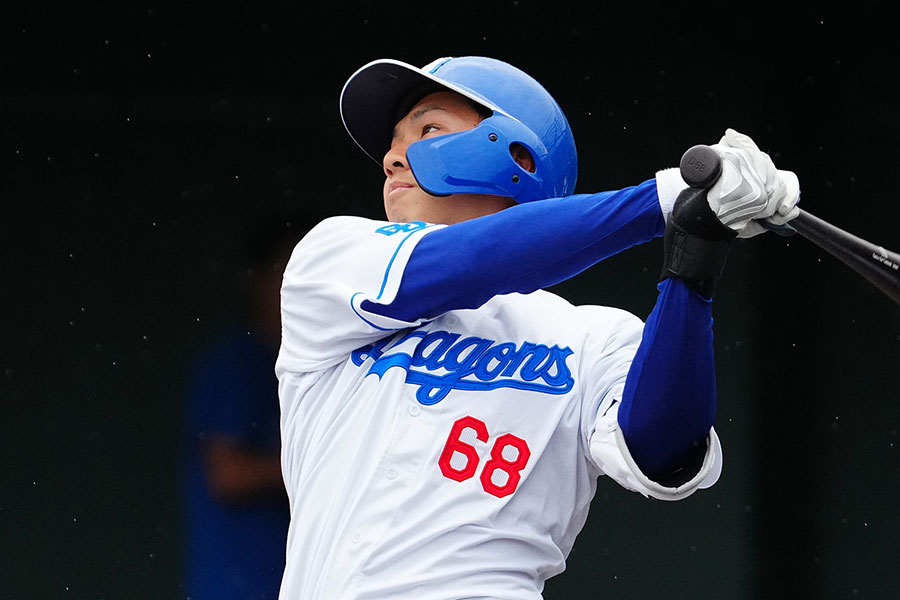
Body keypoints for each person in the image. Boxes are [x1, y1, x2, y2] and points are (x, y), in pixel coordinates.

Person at [274, 57, 800, 598]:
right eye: (393, 141)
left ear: (518, 156)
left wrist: (695, 258)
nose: (390, 157)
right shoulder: (333, 261)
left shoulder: (593, 336)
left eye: (427, 129)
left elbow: (664, 451)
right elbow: (471, 260)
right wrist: (665, 199)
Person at [182, 218, 298, 599]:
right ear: (257, 279)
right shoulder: (235, 360)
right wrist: (325, 462)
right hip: (239, 583)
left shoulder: (312, 364)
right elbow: (228, 474)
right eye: (287, 269)